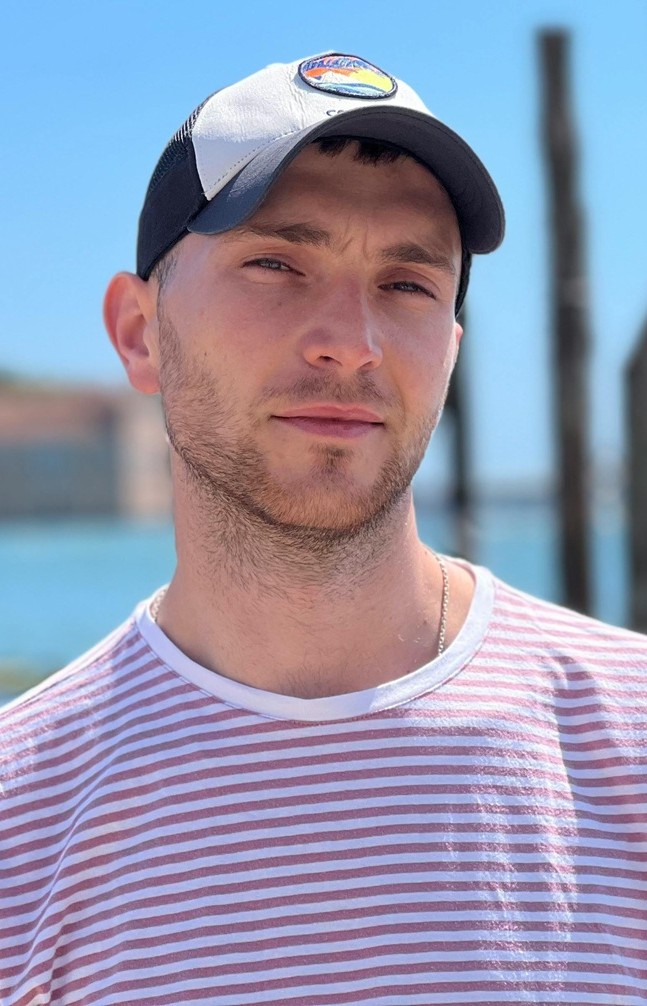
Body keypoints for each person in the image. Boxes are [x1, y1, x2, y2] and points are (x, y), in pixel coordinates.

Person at [2, 51, 646, 1006]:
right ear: (140, 332)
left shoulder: (628, 744)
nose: (352, 339)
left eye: (408, 284)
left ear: (450, 351)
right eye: (275, 263)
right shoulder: (23, 814)